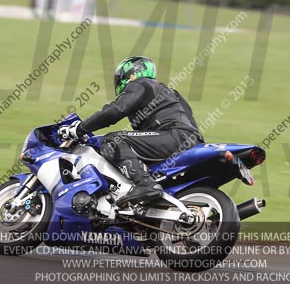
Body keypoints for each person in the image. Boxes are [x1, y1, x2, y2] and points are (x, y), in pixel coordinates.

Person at [58, 56, 204, 207]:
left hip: (173, 136)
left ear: (130, 73)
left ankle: (145, 185)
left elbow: (115, 110)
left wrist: (80, 128)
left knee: (114, 140)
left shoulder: (141, 84)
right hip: (190, 141)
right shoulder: (171, 93)